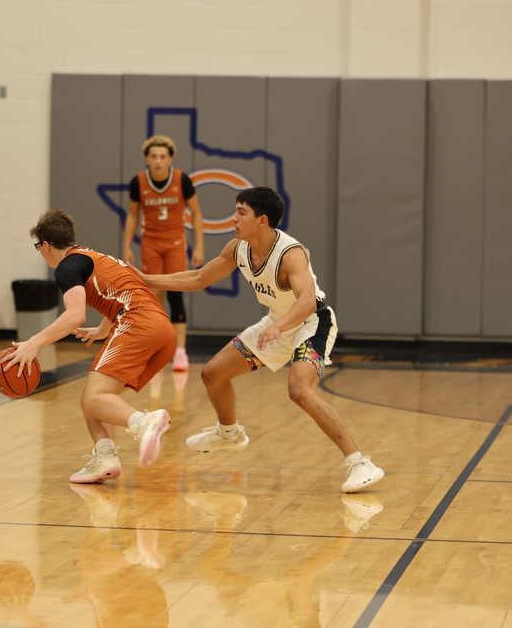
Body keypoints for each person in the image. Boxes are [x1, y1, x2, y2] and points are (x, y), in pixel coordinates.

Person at [142, 187, 384, 493]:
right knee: (212, 374)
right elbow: (199, 278)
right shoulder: (237, 248)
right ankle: (229, 434)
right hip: (277, 323)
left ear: (262, 220)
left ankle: (360, 462)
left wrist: (279, 326)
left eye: (241, 212)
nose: (234, 217)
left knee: (300, 391)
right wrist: (146, 279)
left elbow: (308, 301)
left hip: (311, 323)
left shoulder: (290, 254)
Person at [3, 209, 176, 483]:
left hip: (138, 325)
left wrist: (33, 343)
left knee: (93, 398)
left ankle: (145, 424)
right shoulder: (98, 257)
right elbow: (121, 292)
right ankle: (105, 458)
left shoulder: (67, 266)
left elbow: (75, 314)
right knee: (95, 397)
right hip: (163, 332)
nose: (40, 252)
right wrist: (102, 330)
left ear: (46, 245)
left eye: (39, 247)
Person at [122, 135, 206, 373]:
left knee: (176, 293)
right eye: (153, 156)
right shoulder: (138, 182)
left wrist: (199, 245)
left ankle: (180, 352)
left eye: (162, 156)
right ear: (147, 159)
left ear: (170, 158)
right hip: (150, 243)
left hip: (175, 243)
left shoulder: (182, 180)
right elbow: (132, 215)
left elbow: (197, 213)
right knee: (153, 296)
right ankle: (156, 349)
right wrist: (127, 245)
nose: (158, 161)